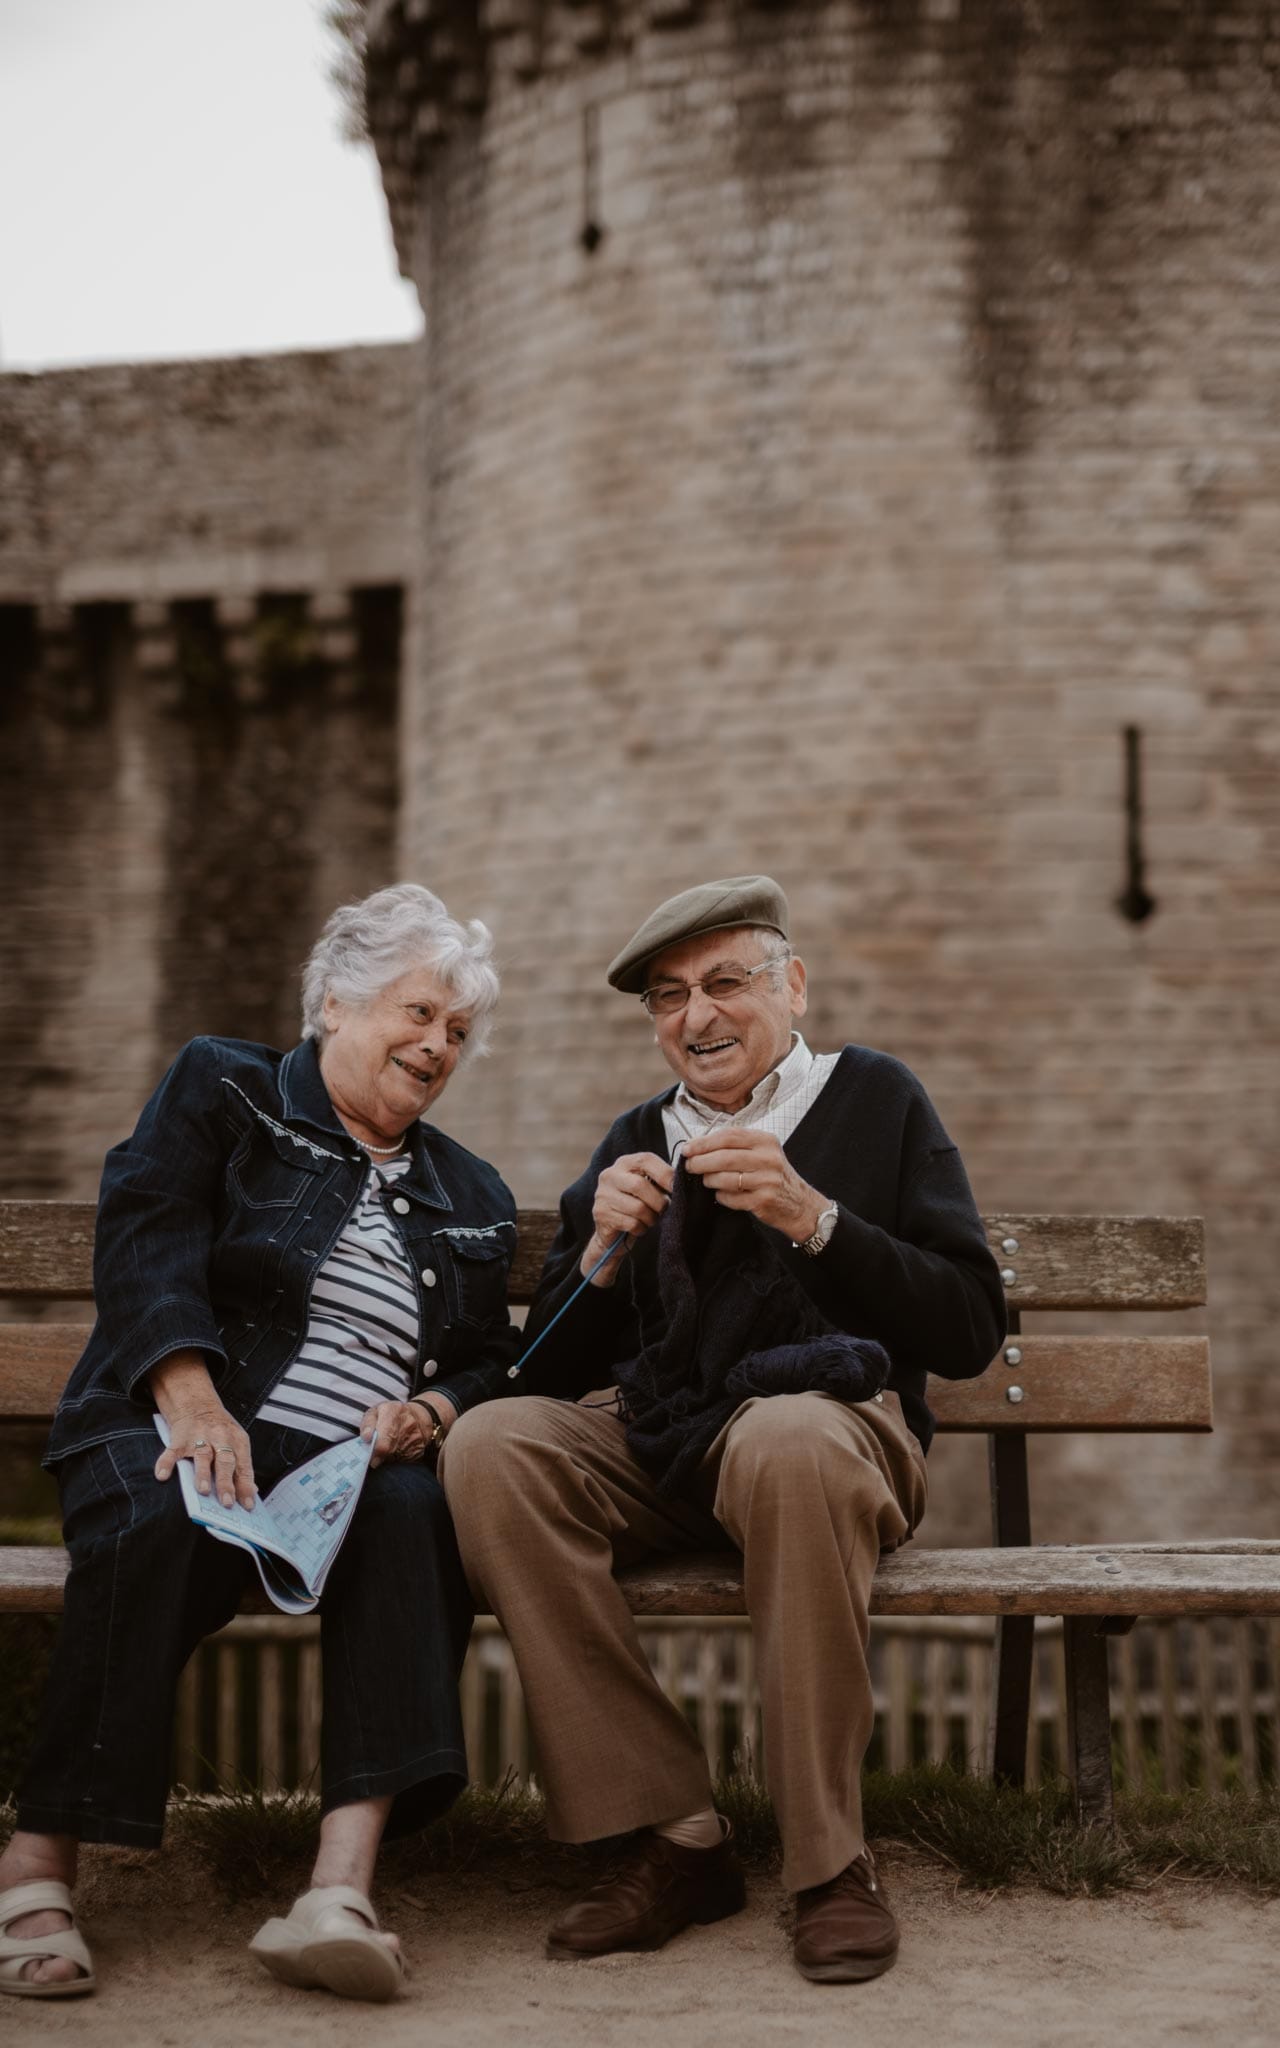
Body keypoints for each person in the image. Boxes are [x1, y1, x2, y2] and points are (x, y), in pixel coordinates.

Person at [442, 875, 1006, 1983]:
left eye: (724, 982)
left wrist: (817, 1219)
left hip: (833, 1435)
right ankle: (673, 1834)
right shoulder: (635, 1137)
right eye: (666, 996)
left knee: (786, 1437)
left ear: (790, 985)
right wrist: (598, 1254)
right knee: (492, 1446)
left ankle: (828, 1863)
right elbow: (539, 1371)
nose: (695, 1016)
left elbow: (970, 1323)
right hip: (668, 1443)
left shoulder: (875, 1098)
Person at [0, 884, 519, 2004]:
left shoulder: (468, 1189)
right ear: (335, 1000)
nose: (438, 1045)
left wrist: (432, 1414)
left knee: (413, 1514)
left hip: (346, 1474)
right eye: (418, 1013)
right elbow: (145, 1227)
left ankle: (337, 1890)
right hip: (179, 1418)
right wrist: (190, 1397)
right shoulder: (224, 1087)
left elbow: (488, 1358)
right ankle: (40, 1858)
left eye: (458, 1032)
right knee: (159, 1508)